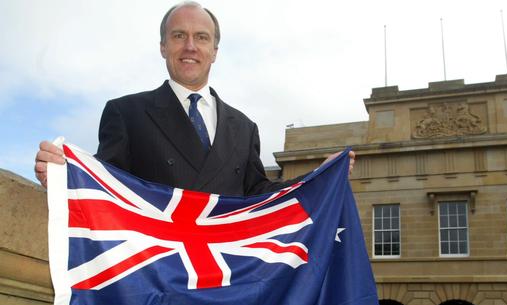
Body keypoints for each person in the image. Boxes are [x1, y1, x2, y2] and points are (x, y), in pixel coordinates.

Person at [34, 1, 353, 194]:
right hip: (158, 281)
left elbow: (259, 195)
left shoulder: (244, 128)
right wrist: (66, 179)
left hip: (224, 278)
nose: (190, 47)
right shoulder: (126, 114)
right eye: (178, 36)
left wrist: (318, 179)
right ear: (163, 47)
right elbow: (105, 189)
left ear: (214, 51)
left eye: (201, 37)